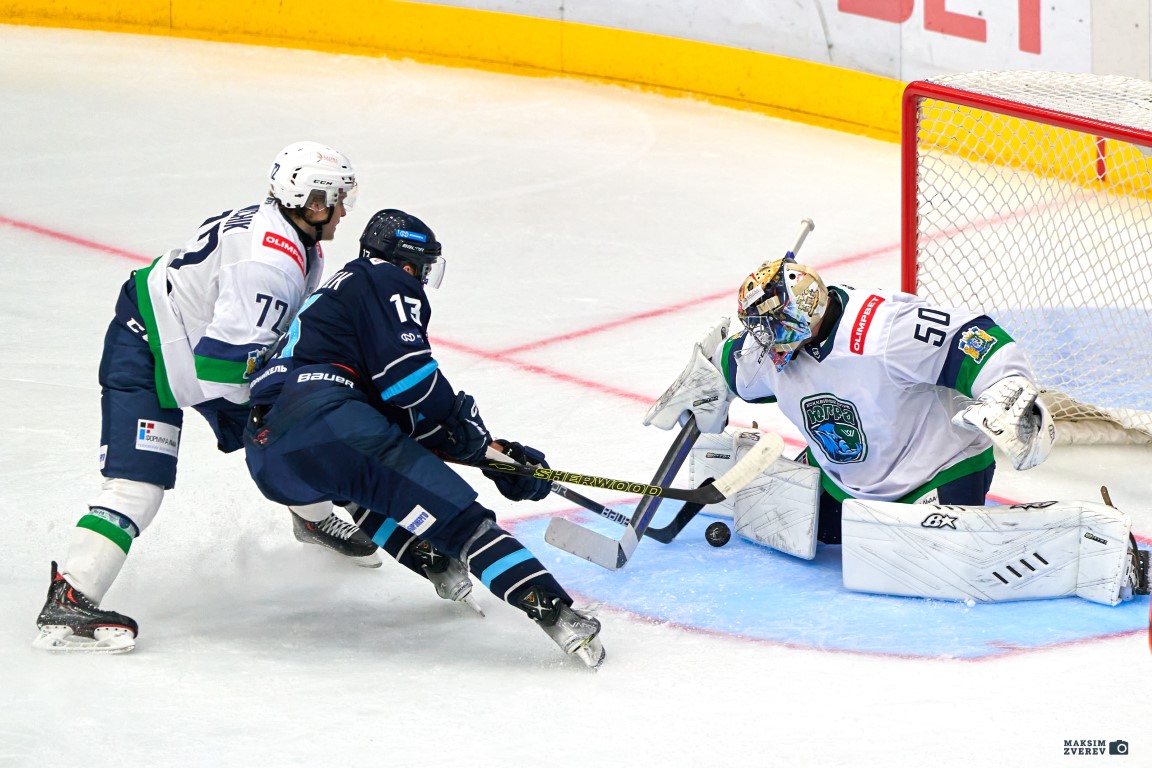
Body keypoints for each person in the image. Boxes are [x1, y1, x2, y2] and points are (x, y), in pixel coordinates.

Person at [646, 241, 1148, 605]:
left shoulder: (884, 329)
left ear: (807, 315)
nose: (763, 341)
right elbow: (725, 363)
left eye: (773, 328)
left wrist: (1008, 391)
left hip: (939, 469)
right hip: (849, 481)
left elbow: (973, 340)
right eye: (758, 328)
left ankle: (1088, 541)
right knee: (791, 527)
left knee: (949, 563)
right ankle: (849, 506)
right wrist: (703, 383)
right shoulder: (771, 347)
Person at [35, 141, 372, 654]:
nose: (343, 210)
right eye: (334, 198)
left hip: (194, 340)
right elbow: (219, 373)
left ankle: (309, 513)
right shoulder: (269, 264)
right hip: (149, 347)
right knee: (137, 487)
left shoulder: (297, 239)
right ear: (304, 199)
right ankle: (69, 600)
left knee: (290, 427)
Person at [241, 208, 606, 667]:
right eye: (423, 266)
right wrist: (470, 433)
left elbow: (398, 423)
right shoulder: (383, 280)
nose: (422, 277)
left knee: (361, 482)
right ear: (407, 262)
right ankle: (558, 615)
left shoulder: (332, 305)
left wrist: (494, 456)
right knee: (462, 520)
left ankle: (430, 556)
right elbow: (410, 384)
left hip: (267, 453)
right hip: (329, 422)